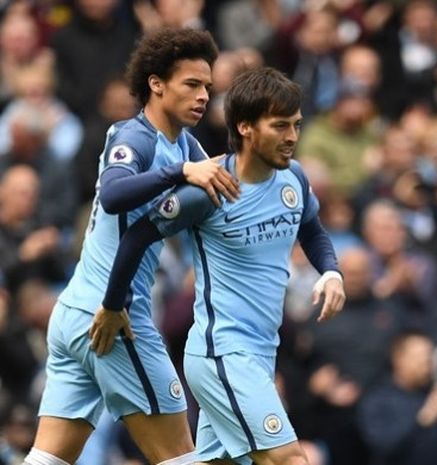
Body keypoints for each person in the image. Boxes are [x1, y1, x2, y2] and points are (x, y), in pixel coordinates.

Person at [93, 67, 345, 465]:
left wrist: (331, 272)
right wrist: (112, 304)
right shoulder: (209, 190)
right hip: (221, 353)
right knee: (288, 459)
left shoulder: (294, 177)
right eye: (280, 126)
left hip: (263, 351)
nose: (293, 137)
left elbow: (311, 229)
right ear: (245, 127)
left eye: (296, 125)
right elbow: (137, 236)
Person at [26, 28, 239, 465]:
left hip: (75, 316)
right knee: (180, 456)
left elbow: (218, 184)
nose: (203, 96)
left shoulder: (185, 143)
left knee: (47, 459)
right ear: (156, 83)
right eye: (192, 84)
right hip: (114, 317)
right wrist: (180, 171)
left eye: (208, 88)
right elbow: (113, 195)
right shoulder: (136, 138)